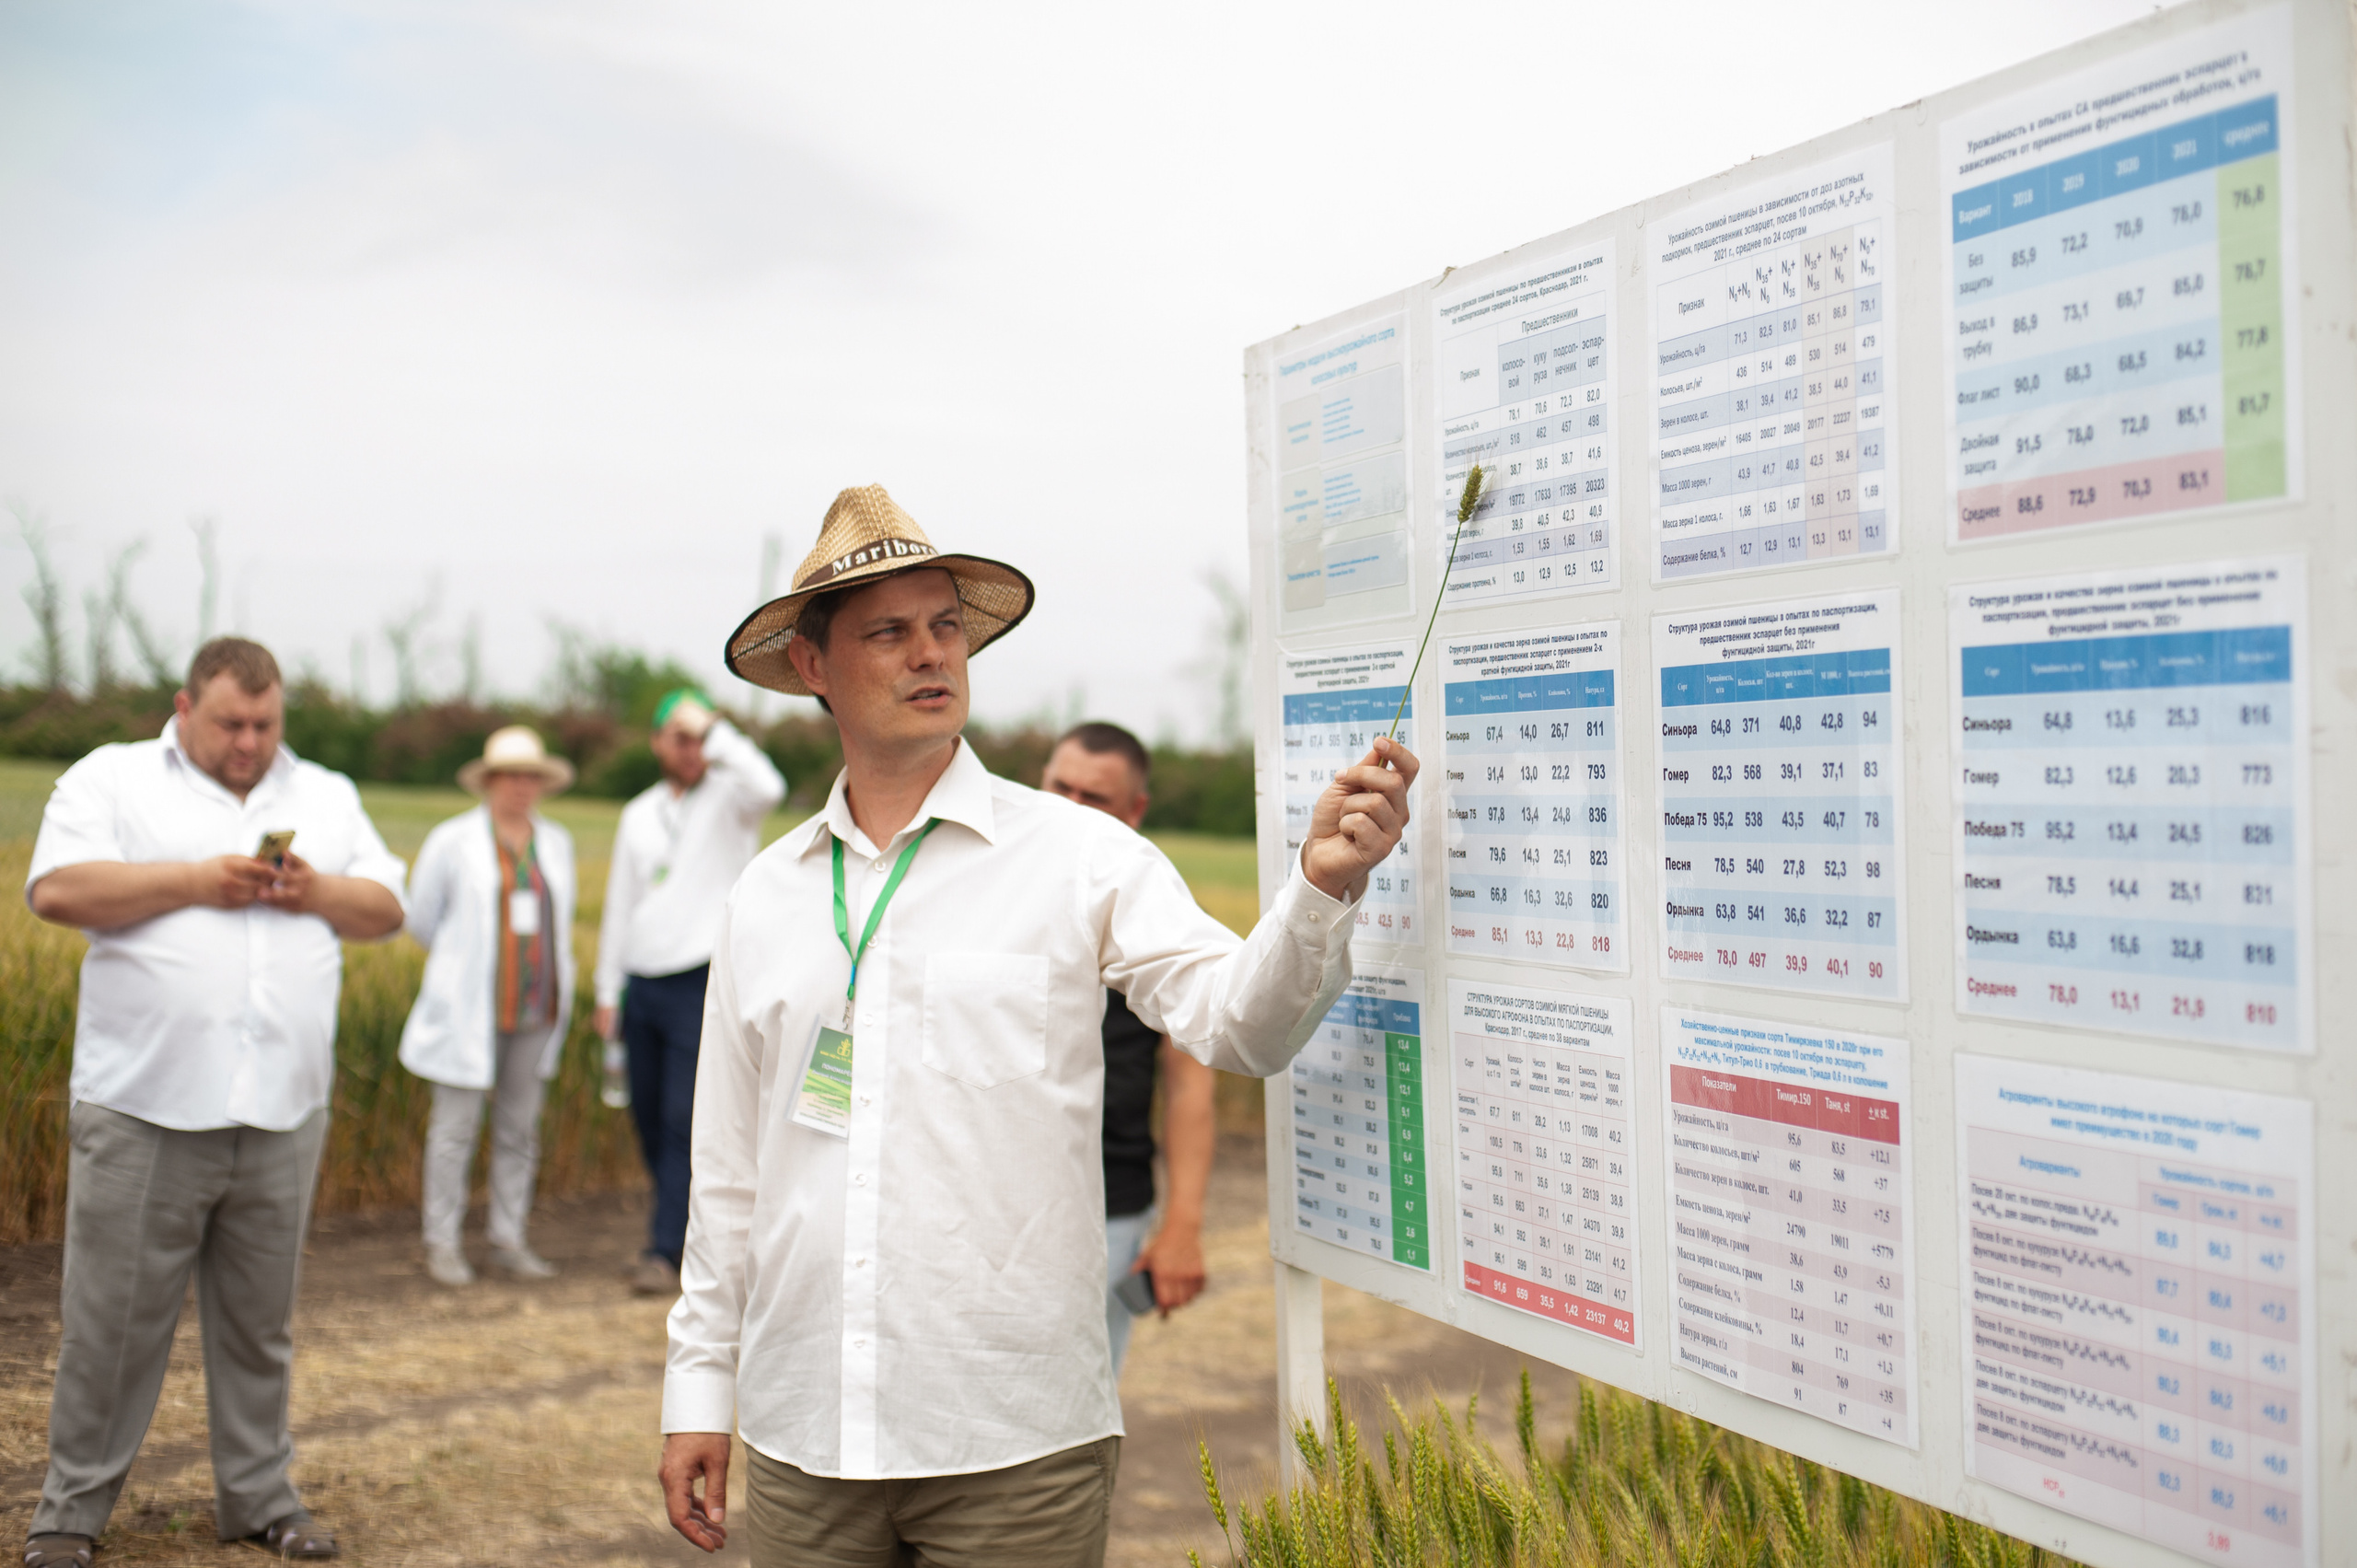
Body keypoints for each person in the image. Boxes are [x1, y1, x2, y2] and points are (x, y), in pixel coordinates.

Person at [657, 484, 1417, 1566]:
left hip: (1013, 1440)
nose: (931, 652)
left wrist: (1320, 888)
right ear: (815, 666)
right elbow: (728, 1169)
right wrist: (697, 1387)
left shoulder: (1081, 856)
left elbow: (1241, 1027)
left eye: (946, 625)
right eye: (889, 631)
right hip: (801, 1433)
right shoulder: (765, 895)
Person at [21, 637, 407, 1567]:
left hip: (282, 1108)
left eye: (266, 724)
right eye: (231, 722)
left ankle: (260, 1497)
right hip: (145, 1103)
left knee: (257, 1323)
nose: (249, 741)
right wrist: (196, 878)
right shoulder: (111, 779)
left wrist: (311, 889)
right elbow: (56, 888)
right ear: (185, 707)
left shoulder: (323, 793)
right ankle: (69, 1514)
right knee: (113, 1323)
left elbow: (387, 907)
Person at [592, 689, 785, 1296]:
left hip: (703, 977)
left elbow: (770, 784)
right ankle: (691, 1222)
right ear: (656, 743)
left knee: (684, 1116)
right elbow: (622, 902)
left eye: (698, 738)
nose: (692, 749)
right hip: (642, 980)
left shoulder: (733, 798)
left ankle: (663, 1249)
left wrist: (713, 729)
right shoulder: (639, 813)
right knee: (648, 1114)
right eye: (679, 736)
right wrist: (606, 988)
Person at [1039, 722, 1214, 1377]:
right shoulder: (989, 893)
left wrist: (1183, 1224)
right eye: (1061, 787)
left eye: (1096, 798)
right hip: (992, 1200)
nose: (1071, 809)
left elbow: (1189, 1081)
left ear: (1135, 811)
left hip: (1108, 1204)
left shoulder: (1151, 912)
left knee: (1076, 1405)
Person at [398, 726, 579, 1288]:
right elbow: (421, 919)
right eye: (511, 776)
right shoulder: (452, 841)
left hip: (534, 1012)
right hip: (469, 1013)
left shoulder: (557, 843)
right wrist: (460, 968)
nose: (522, 787)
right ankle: (442, 1244)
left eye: (531, 777)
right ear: (490, 781)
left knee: (518, 1131)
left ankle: (508, 1238)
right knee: (454, 1131)